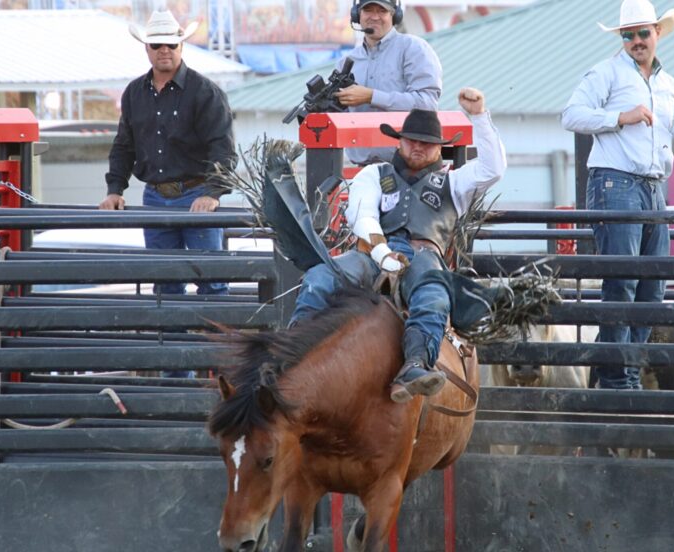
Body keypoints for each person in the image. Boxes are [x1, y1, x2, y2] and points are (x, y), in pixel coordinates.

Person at [289, 87, 506, 403]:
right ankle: (294, 346)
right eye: (412, 140)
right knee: (321, 275)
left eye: (426, 142)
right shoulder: (375, 173)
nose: (418, 146)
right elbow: (361, 215)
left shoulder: (454, 181)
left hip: (425, 257)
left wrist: (479, 116)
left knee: (433, 295)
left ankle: (417, 363)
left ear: (438, 147)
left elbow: (493, 168)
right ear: (400, 141)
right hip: (371, 253)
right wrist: (382, 252)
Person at [561, 0, 674, 389]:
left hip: (651, 187)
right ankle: (618, 378)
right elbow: (570, 115)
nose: (637, 40)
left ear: (657, 33)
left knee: (651, 287)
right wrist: (620, 117)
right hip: (617, 182)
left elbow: (670, 146)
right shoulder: (605, 73)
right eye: (629, 35)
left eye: (643, 33)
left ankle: (624, 373)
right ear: (622, 39)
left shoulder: (669, 85)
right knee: (623, 281)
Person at [100, 10, 237, 298]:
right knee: (165, 281)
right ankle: (176, 340)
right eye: (157, 45)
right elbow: (124, 144)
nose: (165, 50)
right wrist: (115, 189)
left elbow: (222, 148)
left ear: (181, 47)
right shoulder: (134, 92)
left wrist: (212, 193)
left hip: (195, 193)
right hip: (156, 195)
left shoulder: (205, 92)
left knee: (211, 277)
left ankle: (216, 343)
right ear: (147, 48)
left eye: (171, 45)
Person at [334, 0, 442, 166]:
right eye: (368, 10)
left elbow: (427, 104)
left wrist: (371, 96)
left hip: (410, 170)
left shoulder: (414, 48)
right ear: (357, 15)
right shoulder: (346, 62)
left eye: (382, 11)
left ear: (394, 15)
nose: (375, 17)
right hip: (362, 169)